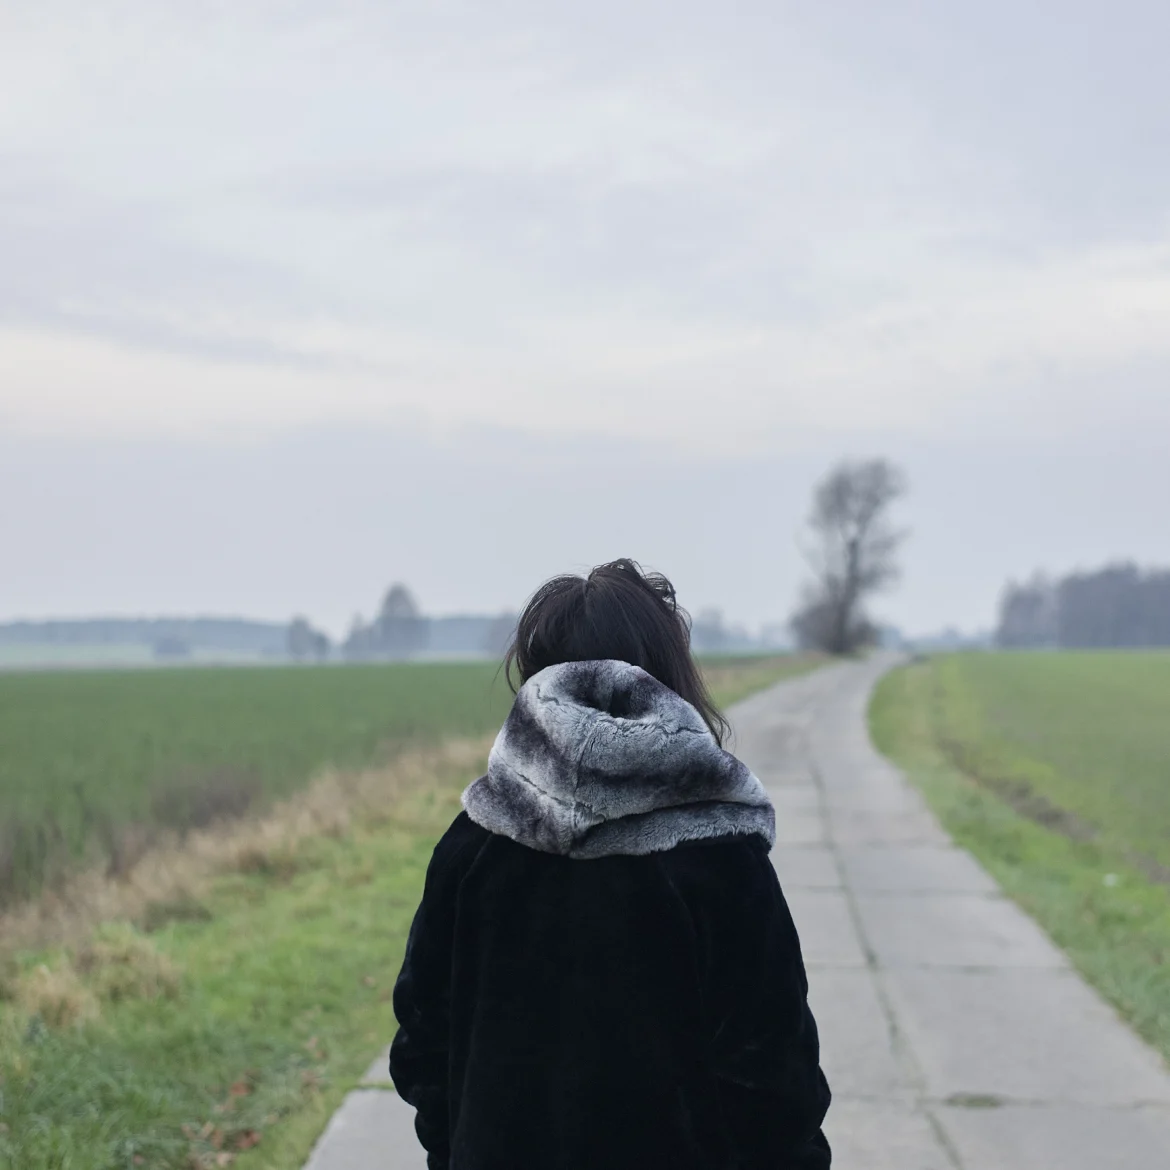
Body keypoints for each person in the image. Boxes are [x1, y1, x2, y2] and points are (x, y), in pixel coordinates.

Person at [390, 559, 831, 1169]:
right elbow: (776, 1085)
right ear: (670, 676)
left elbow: (421, 1044)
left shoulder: (473, 845)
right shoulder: (721, 859)